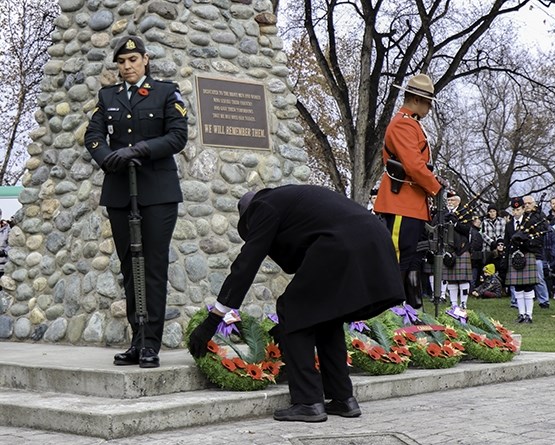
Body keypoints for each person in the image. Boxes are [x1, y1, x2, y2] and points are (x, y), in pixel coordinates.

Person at [187, 185, 405, 422]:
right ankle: (343, 398)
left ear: (248, 219)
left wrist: (214, 318)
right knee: (325, 315)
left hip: (344, 244)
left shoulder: (262, 207)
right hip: (373, 239)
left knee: (290, 309)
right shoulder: (292, 202)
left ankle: (308, 401)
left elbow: (246, 264)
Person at [84, 36, 188, 368]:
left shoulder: (166, 92)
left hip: (157, 192)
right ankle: (136, 340)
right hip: (119, 190)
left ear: (145, 60)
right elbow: (93, 135)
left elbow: (177, 136)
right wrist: (108, 157)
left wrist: (138, 150)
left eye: (132, 60)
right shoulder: (107, 96)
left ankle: (150, 345)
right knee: (130, 268)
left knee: (153, 268)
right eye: (121, 62)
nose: (126, 66)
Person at [373, 74, 444, 309]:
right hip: (400, 202)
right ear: (416, 99)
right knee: (398, 259)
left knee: (413, 259)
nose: (430, 107)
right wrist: (436, 187)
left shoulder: (412, 123)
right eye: (428, 102)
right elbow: (413, 165)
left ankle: (413, 311)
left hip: (412, 203)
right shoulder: (403, 123)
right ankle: (390, 312)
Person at [504, 197, 540, 323]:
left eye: (518, 209)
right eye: (513, 210)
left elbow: (537, 240)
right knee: (518, 287)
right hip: (514, 257)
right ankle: (521, 314)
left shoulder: (531, 222)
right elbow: (506, 242)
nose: (515, 212)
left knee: (528, 286)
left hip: (528, 254)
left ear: (523, 209)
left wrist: (525, 243)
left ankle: (529, 315)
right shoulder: (509, 225)